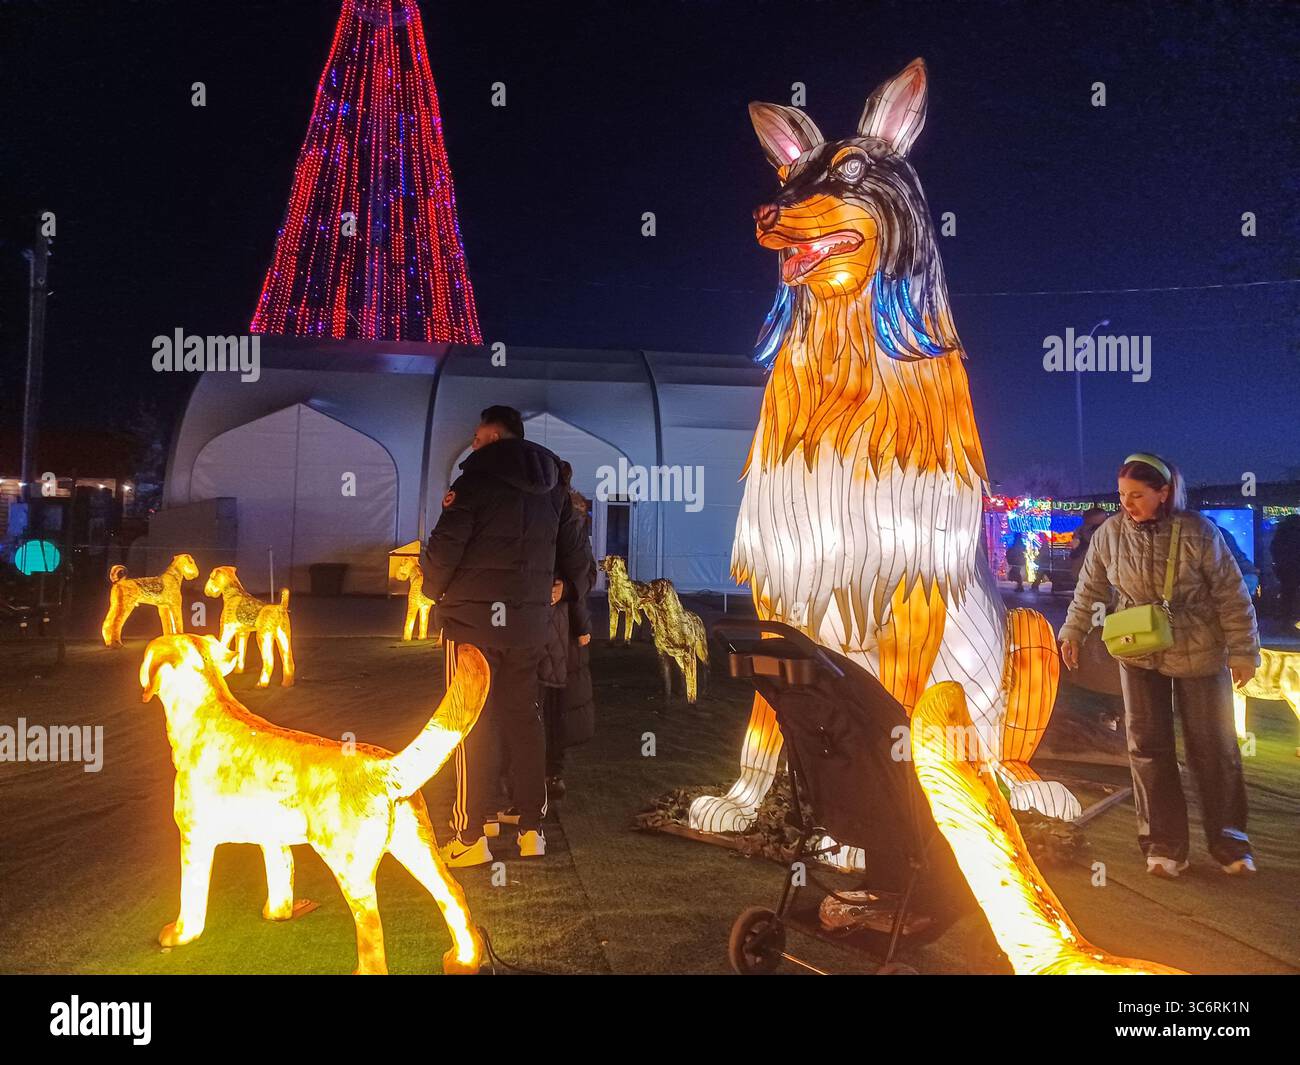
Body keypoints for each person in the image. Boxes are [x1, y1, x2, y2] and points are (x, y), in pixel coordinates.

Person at [1058, 453, 1260, 879]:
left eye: (1137, 496)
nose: (1126, 504)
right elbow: (1089, 585)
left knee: (1214, 748)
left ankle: (1229, 843)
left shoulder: (1198, 532)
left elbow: (1231, 593)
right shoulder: (1110, 534)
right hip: (1137, 649)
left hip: (1199, 649)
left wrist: (1243, 650)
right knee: (1148, 749)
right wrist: (1072, 632)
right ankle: (1164, 846)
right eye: (1122, 496)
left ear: (1163, 494)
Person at [422, 405, 590, 867]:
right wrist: (571, 596)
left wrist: (431, 589)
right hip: (528, 625)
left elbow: (445, 547)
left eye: (479, 438)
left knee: (469, 722)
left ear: (497, 438)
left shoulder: (474, 480)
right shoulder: (554, 484)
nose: (472, 446)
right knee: (523, 719)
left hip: (472, 624)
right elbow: (574, 553)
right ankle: (531, 829)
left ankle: (471, 833)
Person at [537, 485, 597, 799]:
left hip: (568, 634)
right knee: (540, 705)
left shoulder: (576, 539)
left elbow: (588, 576)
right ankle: (536, 770)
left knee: (561, 706)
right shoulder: (540, 530)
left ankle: (553, 770)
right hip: (546, 630)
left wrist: (567, 591)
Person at [1270, 514, 1300, 621]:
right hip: (1291, 566)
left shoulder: (1282, 531)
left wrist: (1278, 562)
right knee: (1288, 592)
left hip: (1285, 567)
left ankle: (1285, 615)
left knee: (1287, 592)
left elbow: (1274, 548)